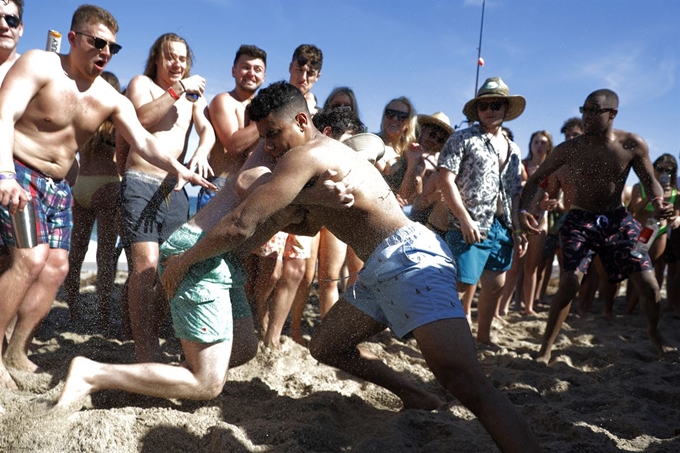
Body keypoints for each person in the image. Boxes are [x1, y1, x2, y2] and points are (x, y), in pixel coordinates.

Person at [157, 81, 540, 452]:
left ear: (303, 122)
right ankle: (411, 392)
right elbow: (303, 224)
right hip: (381, 266)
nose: (270, 146)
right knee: (328, 346)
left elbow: (242, 223)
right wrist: (311, 196)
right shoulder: (318, 160)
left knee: (465, 381)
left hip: (410, 259)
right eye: (264, 138)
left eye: (275, 134)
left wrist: (182, 262)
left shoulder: (305, 156)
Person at [54, 112, 357, 410]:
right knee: (208, 383)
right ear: (326, 135)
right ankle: (91, 373)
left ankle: (171, 374)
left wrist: (321, 197)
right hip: (199, 252)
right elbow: (247, 187)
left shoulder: (306, 172)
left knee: (244, 348)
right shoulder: (284, 162)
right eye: (344, 148)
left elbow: (304, 226)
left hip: (222, 259)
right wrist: (183, 263)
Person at [0, 5, 213, 390]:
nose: (105, 52)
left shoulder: (109, 97)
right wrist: (5, 174)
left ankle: (16, 350)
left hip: (61, 186)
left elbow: (144, 139)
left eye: (112, 47)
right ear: (73, 39)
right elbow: (4, 115)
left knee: (57, 268)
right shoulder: (39, 65)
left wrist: (178, 167)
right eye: (97, 42)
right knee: (29, 260)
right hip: (21, 173)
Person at [519, 89, 675, 362]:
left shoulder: (632, 144)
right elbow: (536, 179)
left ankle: (654, 333)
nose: (586, 116)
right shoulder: (570, 149)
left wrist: (659, 202)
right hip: (579, 219)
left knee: (650, 285)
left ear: (612, 114)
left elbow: (650, 180)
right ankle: (545, 348)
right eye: (584, 110)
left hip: (619, 220)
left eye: (594, 111)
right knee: (569, 283)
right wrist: (523, 210)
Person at [118, 33, 215, 362]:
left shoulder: (194, 98)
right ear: (157, 59)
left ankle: (155, 332)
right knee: (145, 266)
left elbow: (208, 129)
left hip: (176, 187)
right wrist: (178, 90)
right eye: (170, 57)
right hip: (141, 180)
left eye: (182, 58)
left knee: (173, 268)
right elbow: (139, 120)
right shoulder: (141, 83)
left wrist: (202, 150)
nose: (177, 64)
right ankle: (144, 348)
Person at [437, 77, 526, 344]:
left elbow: (514, 192)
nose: (489, 110)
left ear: (505, 109)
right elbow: (445, 179)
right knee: (460, 285)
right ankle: (441, 338)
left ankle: (483, 338)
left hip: (502, 225)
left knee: (496, 286)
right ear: (476, 110)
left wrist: (518, 229)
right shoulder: (462, 138)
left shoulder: (514, 148)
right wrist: (464, 219)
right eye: (483, 105)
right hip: (469, 222)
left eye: (495, 104)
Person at [62, 71, 123, 331]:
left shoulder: (81, 116)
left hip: (81, 185)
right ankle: (102, 316)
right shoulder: (115, 122)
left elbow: (65, 152)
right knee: (105, 256)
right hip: (107, 186)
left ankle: (73, 310)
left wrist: (75, 181)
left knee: (75, 254)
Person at [196, 44, 266, 211]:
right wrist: (267, 120)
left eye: (257, 69)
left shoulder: (263, 108)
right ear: (234, 71)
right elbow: (234, 145)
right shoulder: (223, 100)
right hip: (219, 188)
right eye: (245, 67)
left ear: (263, 76)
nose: (251, 73)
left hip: (252, 191)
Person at [624, 154, 680, 314]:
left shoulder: (675, 193)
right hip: (644, 232)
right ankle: (630, 305)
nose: (664, 173)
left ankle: (634, 308)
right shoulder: (639, 186)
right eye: (660, 169)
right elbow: (636, 209)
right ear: (653, 169)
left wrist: (676, 218)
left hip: (660, 232)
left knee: (653, 269)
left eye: (669, 170)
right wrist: (654, 196)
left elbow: (674, 216)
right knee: (636, 270)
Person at [376, 97, 419, 201]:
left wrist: (413, 163)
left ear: (409, 123)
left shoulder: (410, 153)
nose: (395, 119)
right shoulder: (370, 141)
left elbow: (405, 197)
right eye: (390, 113)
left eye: (401, 116)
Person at [289, 44, 322, 114]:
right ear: (290, 68)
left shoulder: (320, 116)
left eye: (310, 73)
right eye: (299, 70)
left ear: (317, 77)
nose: (303, 77)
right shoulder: (270, 101)